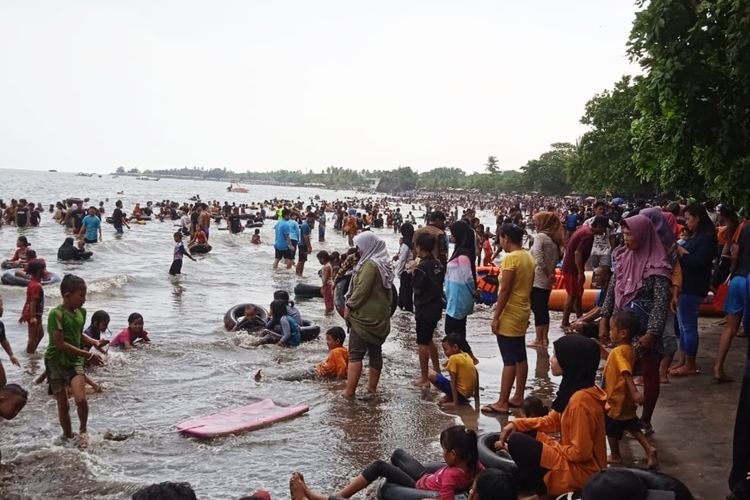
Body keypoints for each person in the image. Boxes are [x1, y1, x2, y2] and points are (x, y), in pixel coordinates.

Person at [496, 335, 606, 496]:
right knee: (524, 432)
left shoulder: (580, 401)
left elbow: (580, 454)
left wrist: (549, 448)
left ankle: (542, 488)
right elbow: (553, 420)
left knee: (517, 441)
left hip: (582, 472)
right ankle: (534, 484)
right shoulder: (576, 388)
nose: (551, 359)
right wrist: (516, 424)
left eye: (556, 356)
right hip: (571, 462)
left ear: (571, 361)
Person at [599, 214, 673, 436]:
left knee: (649, 372)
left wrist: (652, 333)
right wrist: (604, 319)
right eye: (624, 234)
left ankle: (645, 419)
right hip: (623, 326)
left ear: (643, 235)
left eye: (630, 234)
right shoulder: (623, 258)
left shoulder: (658, 267)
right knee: (619, 370)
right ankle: (616, 415)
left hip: (647, 328)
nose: (626, 238)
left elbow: (661, 303)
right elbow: (612, 292)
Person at [290, 425, 481, 500]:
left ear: (454, 454)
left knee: (379, 466)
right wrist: (473, 488)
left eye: (444, 449)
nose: (442, 453)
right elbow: (482, 473)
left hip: (419, 486)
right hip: (427, 477)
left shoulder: (450, 475)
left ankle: (328, 496)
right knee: (398, 454)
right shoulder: (474, 466)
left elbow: (444, 498)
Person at [45, 274, 105, 448]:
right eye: (81, 295)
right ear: (67, 295)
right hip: (55, 361)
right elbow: (60, 343)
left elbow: (78, 335)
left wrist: (94, 342)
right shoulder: (55, 314)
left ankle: (83, 430)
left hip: (74, 361)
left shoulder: (81, 313)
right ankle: (67, 434)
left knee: (81, 400)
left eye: (85, 295)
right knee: (63, 404)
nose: (84, 300)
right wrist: (89, 355)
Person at [483, 223, 535, 415]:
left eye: (500, 238)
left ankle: (503, 401)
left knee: (509, 359)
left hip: (510, 312)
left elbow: (504, 290)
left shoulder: (511, 259)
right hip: (523, 309)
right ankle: (518, 395)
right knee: (520, 355)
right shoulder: (528, 257)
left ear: (505, 237)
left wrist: (496, 316)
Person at [602, 311, 658, 469]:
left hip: (616, 398)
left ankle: (615, 455)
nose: (610, 332)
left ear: (623, 333)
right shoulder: (629, 349)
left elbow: (625, 370)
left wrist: (634, 391)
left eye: (612, 329)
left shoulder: (618, 351)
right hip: (625, 399)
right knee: (632, 425)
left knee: (611, 427)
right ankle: (649, 449)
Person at [343, 231, 393, 398]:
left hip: (364, 318)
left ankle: (349, 392)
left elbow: (361, 290)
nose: (358, 251)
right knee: (375, 351)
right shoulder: (384, 264)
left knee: (355, 353)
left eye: (360, 247)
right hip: (380, 318)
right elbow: (391, 293)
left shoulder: (371, 265)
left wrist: (349, 305)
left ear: (368, 246)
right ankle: (372, 389)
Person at [670, 203, 717, 377]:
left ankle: (690, 363)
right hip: (685, 285)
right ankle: (683, 360)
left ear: (698, 218)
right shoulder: (696, 236)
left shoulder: (707, 238)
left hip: (693, 286)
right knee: (682, 326)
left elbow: (698, 263)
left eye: (689, 219)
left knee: (688, 326)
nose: (687, 223)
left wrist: (681, 250)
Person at [561, 216, 608, 328]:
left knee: (577, 295)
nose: (605, 231)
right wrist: (580, 272)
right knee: (572, 295)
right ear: (599, 226)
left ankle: (579, 318)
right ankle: (564, 322)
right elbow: (578, 253)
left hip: (570, 266)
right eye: (604, 228)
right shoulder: (588, 235)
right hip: (573, 269)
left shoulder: (584, 228)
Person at [412, 232, 444, 386]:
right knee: (429, 338)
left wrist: (411, 273)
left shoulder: (422, 267)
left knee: (422, 342)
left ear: (419, 247)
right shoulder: (438, 263)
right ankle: (437, 370)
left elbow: (417, 289)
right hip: (436, 306)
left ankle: (424, 378)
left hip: (424, 307)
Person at [527, 212, 563, 349]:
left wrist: (548, 273)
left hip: (538, 279)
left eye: (537, 222)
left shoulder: (540, 237)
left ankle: (538, 339)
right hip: (547, 281)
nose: (535, 225)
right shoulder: (554, 240)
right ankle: (544, 339)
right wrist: (550, 274)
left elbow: (538, 258)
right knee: (543, 309)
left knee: (538, 309)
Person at [444, 220, 478, 362]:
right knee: (457, 329)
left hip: (460, 296)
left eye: (453, 234)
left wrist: (474, 292)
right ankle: (461, 358)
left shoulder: (464, 254)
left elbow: (468, 276)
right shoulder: (460, 251)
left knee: (452, 330)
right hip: (454, 295)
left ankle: (470, 357)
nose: (451, 236)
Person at [429, 334, 479, 408]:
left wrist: (455, 402)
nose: (444, 352)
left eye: (446, 349)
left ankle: (454, 399)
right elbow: (476, 374)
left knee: (430, 374)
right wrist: (476, 397)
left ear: (455, 347)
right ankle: (453, 397)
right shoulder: (466, 355)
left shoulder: (453, 358)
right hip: (467, 395)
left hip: (460, 395)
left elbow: (453, 382)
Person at [20, 260, 46, 354]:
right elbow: (32, 302)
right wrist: (32, 317)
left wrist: (23, 313)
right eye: (44, 269)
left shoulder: (32, 283)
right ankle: (30, 354)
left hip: (33, 313)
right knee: (33, 337)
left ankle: (31, 352)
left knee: (40, 334)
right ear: (39, 271)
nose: (45, 271)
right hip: (34, 314)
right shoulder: (36, 286)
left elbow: (28, 300)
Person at [394, 222, 415, 312]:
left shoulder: (405, 245)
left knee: (405, 292)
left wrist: (398, 272)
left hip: (405, 272)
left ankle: (406, 312)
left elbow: (402, 259)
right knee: (406, 292)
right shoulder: (412, 243)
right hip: (411, 270)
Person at [0, 296, 21, 387]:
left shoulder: (0, 325)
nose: (2, 308)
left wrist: (11, 355)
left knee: (2, 381)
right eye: (1, 305)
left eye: (2, 305)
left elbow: (3, 340)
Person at [317, 251, 335, 315]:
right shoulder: (329, 265)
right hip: (330, 285)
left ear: (323, 258)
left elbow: (325, 279)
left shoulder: (326, 266)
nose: (319, 261)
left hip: (327, 286)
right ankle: (330, 316)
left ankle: (328, 316)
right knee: (330, 302)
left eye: (319, 259)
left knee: (328, 303)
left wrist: (323, 287)